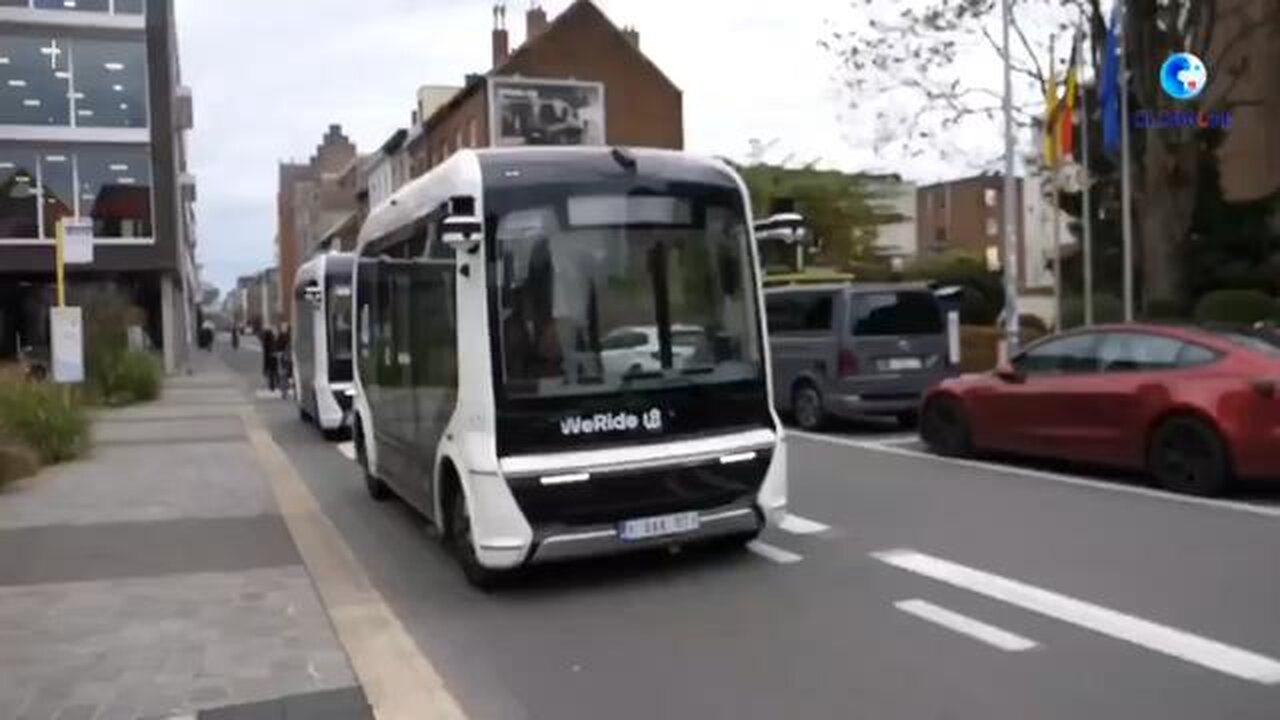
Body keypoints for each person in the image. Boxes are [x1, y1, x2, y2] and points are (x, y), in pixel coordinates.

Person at [260, 325, 277, 390]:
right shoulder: (272, 341)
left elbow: (265, 355)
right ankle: (273, 384)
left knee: (270, 372)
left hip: (268, 360)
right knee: (273, 371)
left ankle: (271, 384)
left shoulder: (265, 342)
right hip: (272, 359)